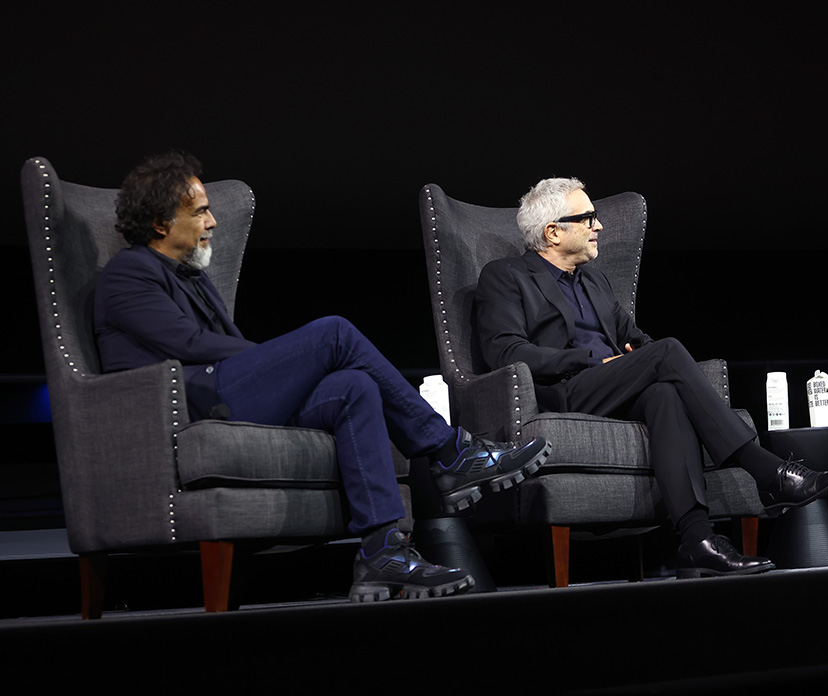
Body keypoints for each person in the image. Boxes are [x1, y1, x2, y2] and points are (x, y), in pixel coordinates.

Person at [94, 152, 551, 601]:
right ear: (160, 223)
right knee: (333, 334)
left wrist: (280, 364)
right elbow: (189, 344)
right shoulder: (128, 273)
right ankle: (450, 453)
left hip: (223, 389)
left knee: (355, 386)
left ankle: (382, 552)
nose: (212, 222)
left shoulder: (190, 276)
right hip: (192, 402)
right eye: (199, 212)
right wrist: (280, 359)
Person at [474, 177, 828, 577]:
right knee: (667, 352)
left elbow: (636, 339)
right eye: (588, 218)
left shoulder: (595, 281)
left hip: (614, 387)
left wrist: (638, 354)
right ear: (553, 232)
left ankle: (697, 539)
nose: (599, 226)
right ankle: (767, 471)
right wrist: (590, 360)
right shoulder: (506, 275)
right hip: (564, 389)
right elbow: (505, 351)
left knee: (666, 393)